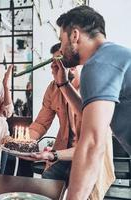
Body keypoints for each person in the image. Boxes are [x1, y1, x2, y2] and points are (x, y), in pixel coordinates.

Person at [20, 43, 115, 199]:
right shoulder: (53, 88)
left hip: (88, 157)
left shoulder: (94, 89)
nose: (53, 66)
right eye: (53, 62)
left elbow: (91, 143)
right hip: (61, 154)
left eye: (58, 61)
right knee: (45, 191)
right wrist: (23, 143)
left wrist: (53, 155)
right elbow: (41, 123)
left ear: (72, 66)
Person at [55, 5, 131, 199]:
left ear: (74, 35)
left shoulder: (97, 64)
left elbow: (91, 144)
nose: (61, 49)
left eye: (60, 40)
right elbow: (90, 115)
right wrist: (63, 84)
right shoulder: (112, 56)